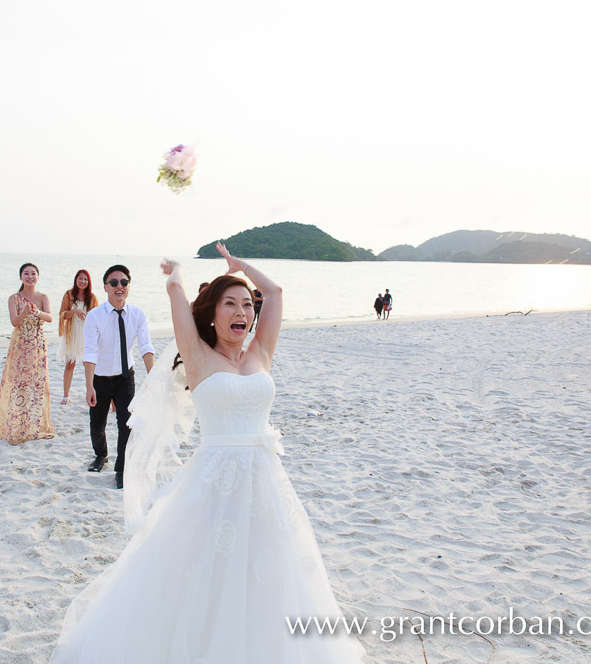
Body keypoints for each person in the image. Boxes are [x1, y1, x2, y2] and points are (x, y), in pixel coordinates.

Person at [50, 243, 365, 663]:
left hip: (266, 484)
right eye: (229, 304)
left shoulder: (260, 353)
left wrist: (241, 268)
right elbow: (177, 296)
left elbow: (275, 294)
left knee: (271, 578)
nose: (241, 312)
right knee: (204, 580)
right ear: (212, 314)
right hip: (214, 484)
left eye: (245, 305)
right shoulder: (198, 358)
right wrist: (176, 272)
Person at [82, 265, 155, 488]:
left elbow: (146, 347)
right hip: (100, 377)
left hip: (125, 377)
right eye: (114, 282)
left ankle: (121, 469)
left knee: (126, 423)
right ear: (105, 287)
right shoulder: (94, 316)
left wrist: (153, 379)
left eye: (123, 282)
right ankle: (101, 455)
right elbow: (90, 351)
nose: (119, 286)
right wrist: (89, 386)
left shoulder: (138, 314)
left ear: (129, 286)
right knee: (97, 424)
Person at [0, 263, 55, 444]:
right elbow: (14, 321)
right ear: (21, 277)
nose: (30, 277)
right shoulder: (14, 298)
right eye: (26, 274)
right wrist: (25, 313)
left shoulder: (43, 297)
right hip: (20, 345)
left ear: (38, 276)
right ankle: (17, 424)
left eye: (33, 274)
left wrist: (37, 312)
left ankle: (34, 425)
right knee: (19, 383)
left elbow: (50, 318)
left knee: (36, 383)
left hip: (37, 344)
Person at [57, 270, 99, 405]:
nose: (82, 281)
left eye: (85, 279)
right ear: (76, 280)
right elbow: (62, 314)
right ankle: (66, 395)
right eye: (80, 278)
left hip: (87, 333)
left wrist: (89, 313)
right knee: (70, 364)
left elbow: (98, 315)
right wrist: (75, 311)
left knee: (90, 364)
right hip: (72, 333)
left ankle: (93, 392)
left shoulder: (92, 297)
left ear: (89, 282)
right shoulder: (68, 295)